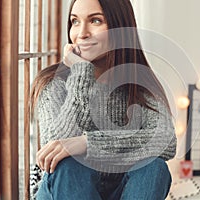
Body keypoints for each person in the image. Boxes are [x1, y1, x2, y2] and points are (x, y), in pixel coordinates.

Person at [30, 0, 177, 199]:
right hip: (63, 189)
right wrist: (80, 73)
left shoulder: (140, 86)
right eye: (75, 22)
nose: (81, 33)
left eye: (96, 21)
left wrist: (88, 144)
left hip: (121, 191)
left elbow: (165, 141)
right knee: (69, 164)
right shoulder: (53, 83)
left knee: (154, 167)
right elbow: (55, 151)